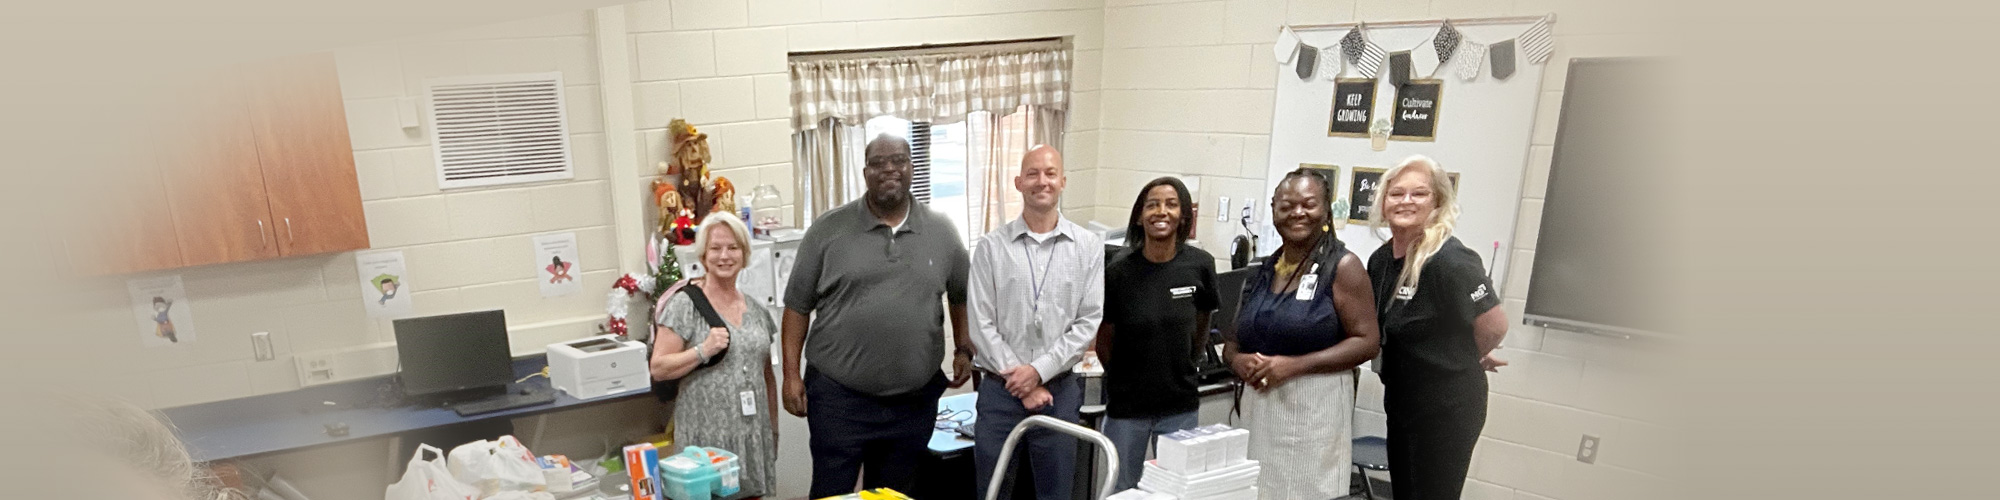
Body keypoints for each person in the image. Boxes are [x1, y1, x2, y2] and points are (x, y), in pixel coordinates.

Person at [781, 134, 974, 498]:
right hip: (839, 399)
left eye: (899, 160)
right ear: (865, 171)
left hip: (913, 402)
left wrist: (963, 346)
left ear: (912, 167)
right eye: (879, 162)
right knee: (832, 493)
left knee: (895, 495)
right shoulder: (828, 230)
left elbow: (960, 294)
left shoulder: (942, 231)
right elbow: (797, 307)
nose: (890, 169)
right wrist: (791, 376)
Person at [1225, 167, 1381, 500]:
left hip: (1315, 411)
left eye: (1308, 204)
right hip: (1258, 411)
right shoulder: (1262, 270)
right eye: (1287, 205)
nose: (1297, 212)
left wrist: (1295, 366)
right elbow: (1233, 341)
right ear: (1274, 210)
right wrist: (1237, 361)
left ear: (1326, 211)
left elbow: (1368, 342)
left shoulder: (1344, 267)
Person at [1366, 155, 1508, 500]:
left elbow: (1495, 325)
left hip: (1447, 405)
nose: (1406, 201)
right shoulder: (1381, 261)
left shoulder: (1450, 261)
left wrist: (1464, 354)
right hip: (1402, 397)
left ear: (1438, 203)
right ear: (1383, 202)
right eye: (1396, 193)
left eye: (1419, 194)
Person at [967, 145, 1103, 500]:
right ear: (1018, 183)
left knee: (1056, 494)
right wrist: (1024, 384)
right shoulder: (990, 247)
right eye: (1032, 174)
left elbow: (1088, 322)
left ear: (1063, 182)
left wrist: (1039, 371)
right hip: (1000, 394)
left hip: (1058, 392)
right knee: (992, 493)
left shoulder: (1088, 246)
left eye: (1050, 173)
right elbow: (981, 323)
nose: (1042, 181)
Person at [1096, 176, 1217, 492]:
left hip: (1179, 405)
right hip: (1127, 408)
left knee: (1174, 491)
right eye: (1152, 205)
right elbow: (1104, 339)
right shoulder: (1118, 271)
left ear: (1183, 216)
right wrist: (1123, 379)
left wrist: (1186, 363)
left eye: (1171, 204)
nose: (1161, 211)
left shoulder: (1201, 265)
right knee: (1122, 489)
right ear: (1140, 216)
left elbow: (1202, 325)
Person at [649, 213, 779, 500]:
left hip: (752, 435)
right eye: (715, 248)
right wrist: (702, 350)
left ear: (744, 255)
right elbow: (658, 367)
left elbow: (767, 375)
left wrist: (773, 431)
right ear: (703, 256)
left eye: (733, 248)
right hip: (705, 439)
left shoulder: (757, 310)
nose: (724, 256)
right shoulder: (685, 305)